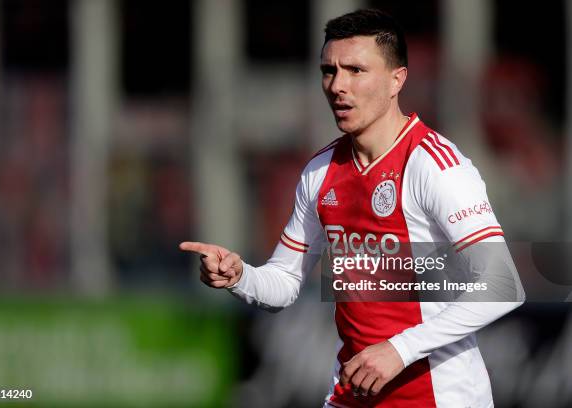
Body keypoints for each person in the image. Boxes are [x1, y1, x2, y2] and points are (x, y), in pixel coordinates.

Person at [180, 9, 524, 408]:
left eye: (356, 70)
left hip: (439, 397)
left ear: (397, 79)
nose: (338, 86)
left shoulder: (434, 165)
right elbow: (284, 283)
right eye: (329, 70)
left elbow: (502, 284)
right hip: (353, 394)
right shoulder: (320, 172)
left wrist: (399, 349)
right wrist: (240, 276)